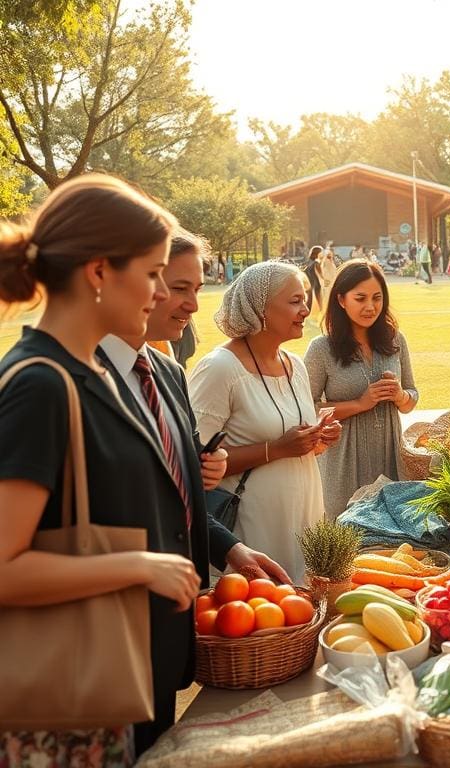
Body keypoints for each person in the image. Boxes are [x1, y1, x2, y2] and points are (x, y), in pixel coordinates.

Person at [0, 174, 201, 762]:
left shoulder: (97, 373)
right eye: (152, 273)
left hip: (121, 672)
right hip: (67, 696)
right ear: (98, 272)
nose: (161, 293)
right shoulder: (39, 385)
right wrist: (137, 565)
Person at [98, 230, 289, 582]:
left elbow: (182, 494)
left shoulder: (169, 373)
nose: (194, 305)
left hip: (184, 598)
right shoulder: (68, 380)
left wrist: (230, 546)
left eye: (197, 289)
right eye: (179, 287)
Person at [189, 262, 340, 583]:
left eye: (306, 298)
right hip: (250, 532)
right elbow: (193, 463)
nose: (306, 309)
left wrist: (317, 439)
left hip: (302, 520)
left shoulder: (295, 365)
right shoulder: (220, 369)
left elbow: (294, 441)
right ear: (260, 307)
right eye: (295, 301)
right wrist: (275, 449)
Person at [304, 262, 418, 517]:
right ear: (341, 300)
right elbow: (305, 410)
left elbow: (412, 397)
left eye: (377, 298)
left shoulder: (395, 340)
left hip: (389, 458)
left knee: (388, 542)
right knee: (346, 537)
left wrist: (400, 396)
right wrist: (359, 404)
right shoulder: (321, 349)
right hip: (342, 464)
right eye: (360, 298)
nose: (370, 306)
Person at [303, 246, 324, 321]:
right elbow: (322, 274)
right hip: (315, 283)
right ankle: (322, 313)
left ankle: (308, 314)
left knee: (309, 300)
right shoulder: (316, 263)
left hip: (308, 283)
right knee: (319, 300)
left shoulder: (307, 262)